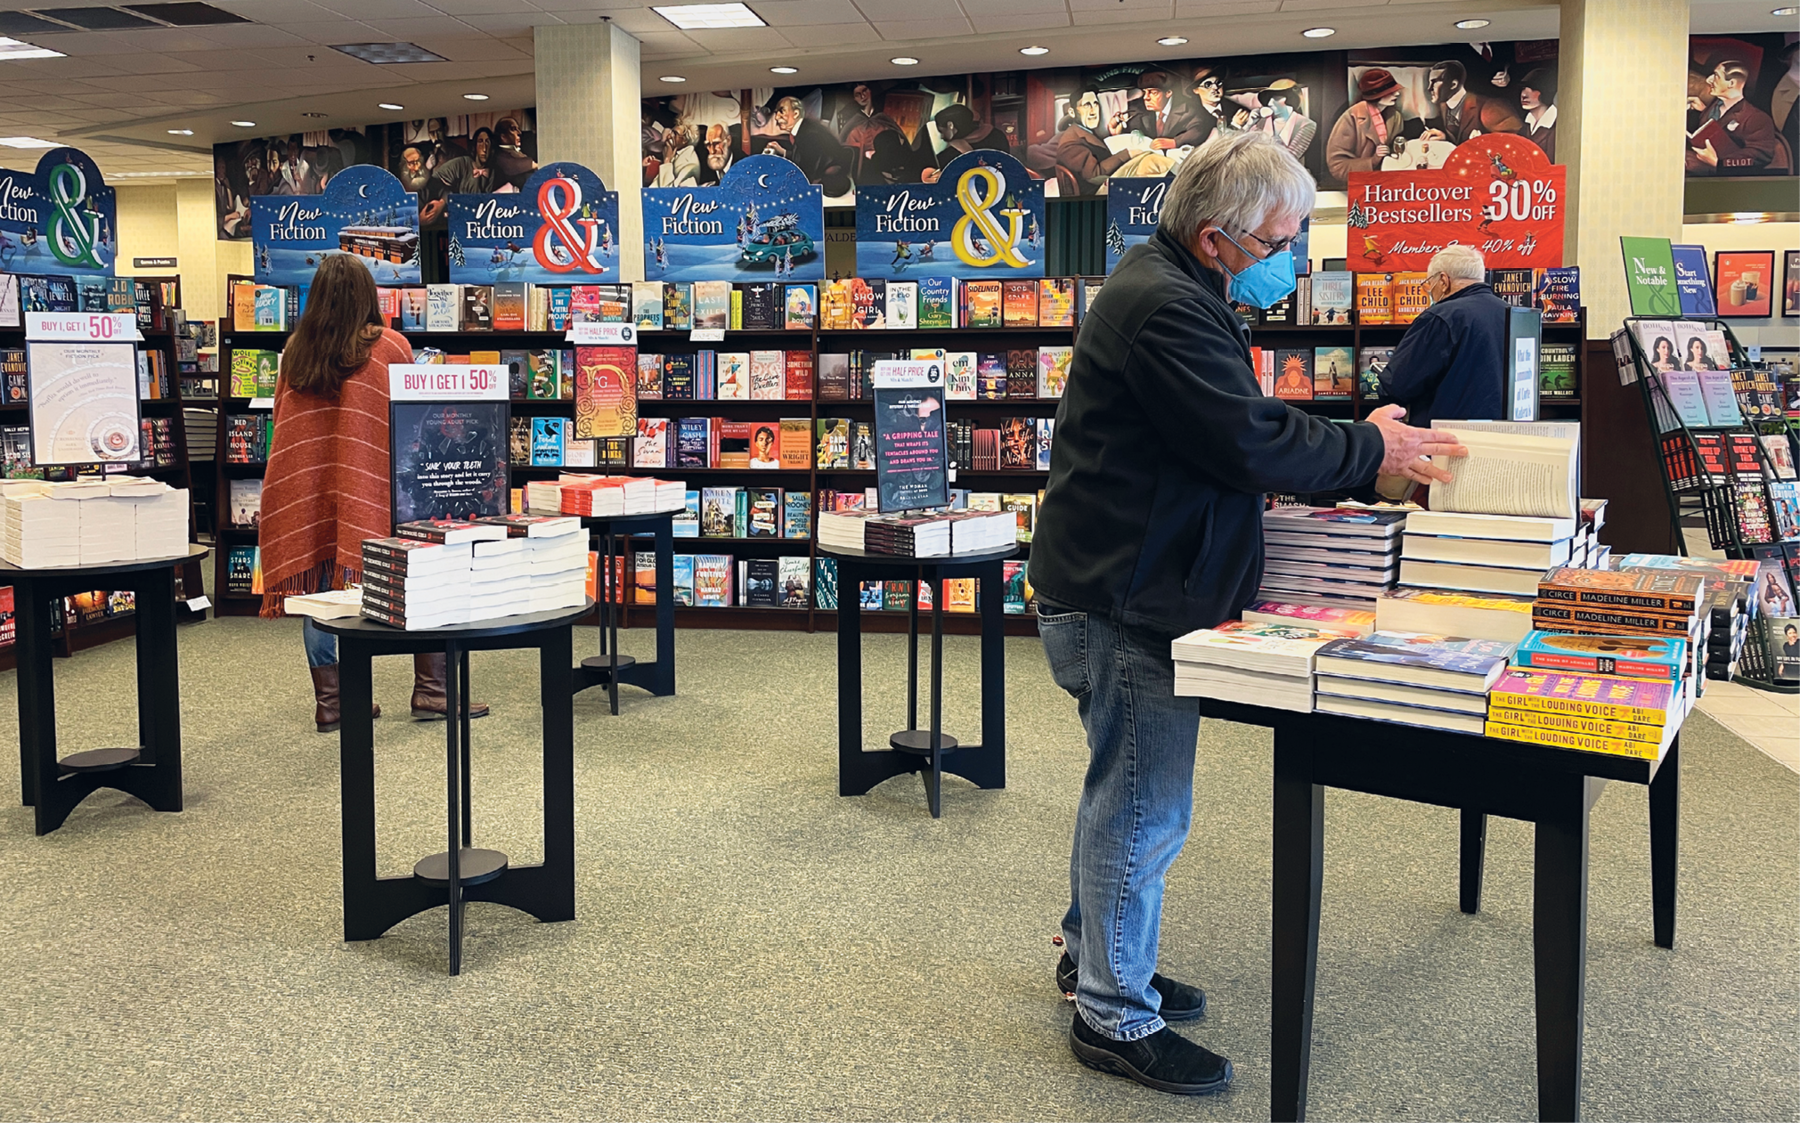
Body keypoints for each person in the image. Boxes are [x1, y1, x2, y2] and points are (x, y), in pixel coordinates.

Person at [1028, 131, 1464, 1097]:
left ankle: (1091, 957)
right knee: (1143, 806)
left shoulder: (1177, 287)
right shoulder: (1166, 307)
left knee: (1123, 790)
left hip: (1126, 581)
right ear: (1218, 237)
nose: (1293, 252)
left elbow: (1213, 441)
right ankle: (1111, 1011)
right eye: (1281, 236)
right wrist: (1368, 449)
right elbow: (1248, 437)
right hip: (1123, 600)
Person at [258, 256, 488, 732]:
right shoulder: (390, 346)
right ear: (368, 296)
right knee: (424, 576)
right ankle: (432, 690)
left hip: (310, 489)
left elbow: (284, 425)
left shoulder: (295, 351)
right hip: (382, 487)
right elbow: (414, 424)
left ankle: (334, 703)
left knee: (321, 587)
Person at [1378, 244, 1512, 431]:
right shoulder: (1514, 313)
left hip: (1447, 440)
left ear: (1443, 280)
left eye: (1429, 283)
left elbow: (1397, 385)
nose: (1429, 290)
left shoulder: (1440, 317)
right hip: (1506, 437)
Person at [1687, 59, 1783, 175]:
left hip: (1728, 178)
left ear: (1731, 83)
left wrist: (1717, 162)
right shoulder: (1713, 107)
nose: (1709, 80)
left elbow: (1760, 156)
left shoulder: (1756, 118)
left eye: (1716, 76)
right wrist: (1701, 111)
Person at [1326, 68, 1405, 180]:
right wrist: (1372, 161)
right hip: (1362, 183)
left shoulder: (1395, 116)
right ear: (1376, 94)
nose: (1397, 94)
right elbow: (1337, 167)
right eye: (1390, 91)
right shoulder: (1351, 118)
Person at [1423, 60, 1523, 145]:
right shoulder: (1444, 105)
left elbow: (1517, 142)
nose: (1429, 88)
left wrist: (1483, 141)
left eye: (1434, 82)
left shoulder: (1489, 108)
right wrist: (1445, 138)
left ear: (1453, 85)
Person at [1056, 86, 1132, 191]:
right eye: (1087, 105)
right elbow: (1094, 175)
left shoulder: (1083, 130)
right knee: (1149, 162)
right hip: (1098, 193)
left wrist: (1114, 134)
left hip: (1106, 185)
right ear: (1072, 112)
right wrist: (1128, 154)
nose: (1093, 111)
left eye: (1095, 104)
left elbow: (1099, 153)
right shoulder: (1070, 144)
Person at [1519, 68, 1557, 162]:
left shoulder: (1557, 127)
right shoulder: (1524, 126)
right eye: (1523, 89)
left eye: (1532, 89)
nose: (1524, 94)